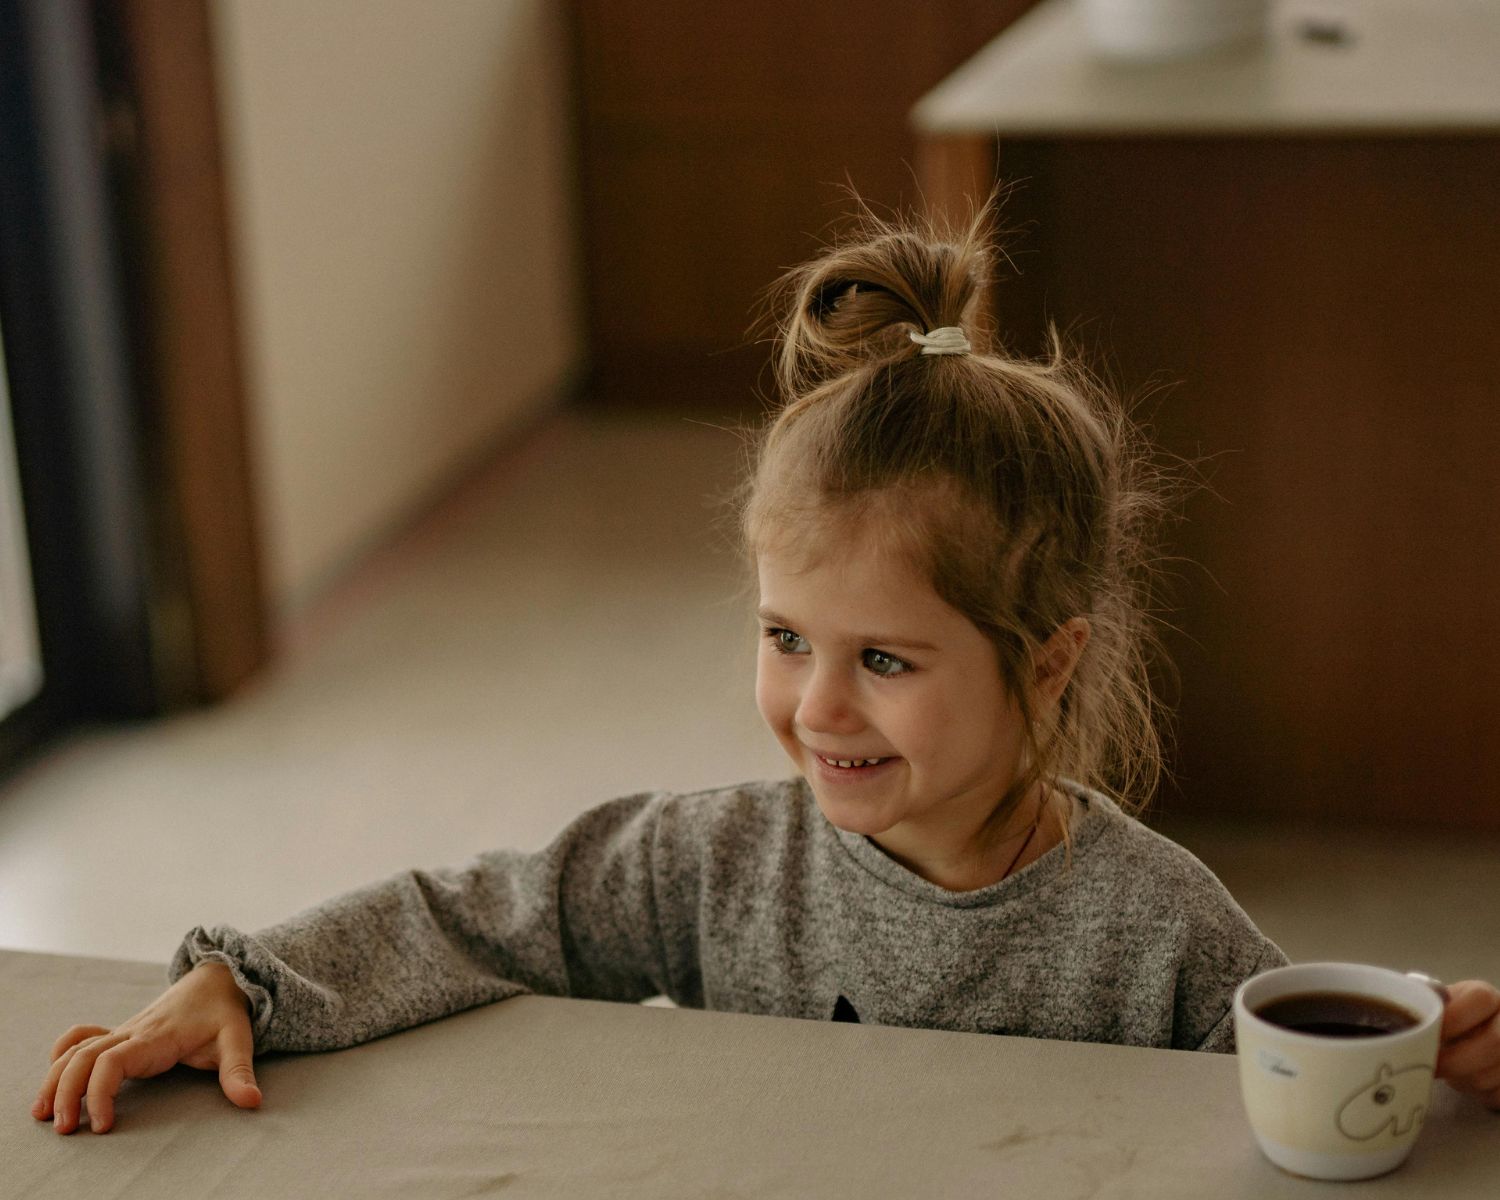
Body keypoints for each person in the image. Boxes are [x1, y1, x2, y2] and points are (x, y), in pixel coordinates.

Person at [35, 207, 1500, 1136]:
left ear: (1049, 664)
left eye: (884, 659)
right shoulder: (713, 865)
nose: (817, 707)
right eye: (785, 638)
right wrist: (249, 980)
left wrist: (1442, 1065)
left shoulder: (1154, 924)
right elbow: (475, 917)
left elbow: (1309, 1086)